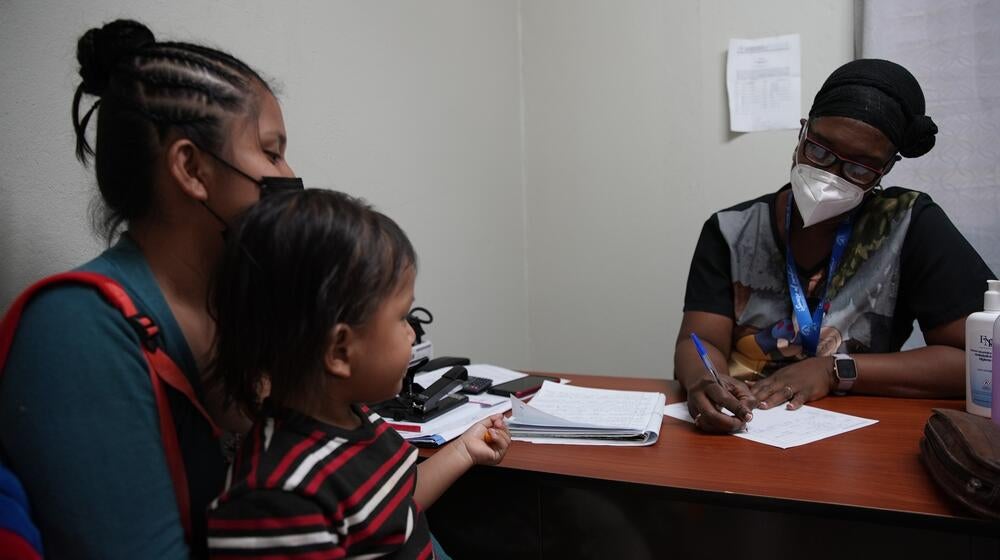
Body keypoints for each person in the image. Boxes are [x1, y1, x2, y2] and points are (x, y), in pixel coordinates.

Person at [0, 19, 296, 557]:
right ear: (191, 168)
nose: (290, 173)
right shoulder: (75, 330)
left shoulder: (241, 301)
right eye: (272, 153)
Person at [674, 59, 995, 433]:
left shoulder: (907, 224)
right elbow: (699, 341)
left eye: (860, 168)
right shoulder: (731, 230)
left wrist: (835, 370)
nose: (829, 175)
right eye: (820, 150)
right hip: (744, 426)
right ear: (802, 133)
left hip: (858, 439)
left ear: (886, 169)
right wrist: (704, 380)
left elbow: (980, 361)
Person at [204, 188, 511, 558]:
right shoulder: (278, 497)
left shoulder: (358, 419)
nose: (413, 332)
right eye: (401, 318)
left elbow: (397, 503)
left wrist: (463, 451)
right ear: (339, 351)